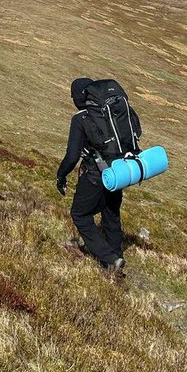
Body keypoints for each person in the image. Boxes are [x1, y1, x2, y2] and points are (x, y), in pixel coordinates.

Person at [56, 77, 136, 274]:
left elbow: (72, 155)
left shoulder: (81, 119)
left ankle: (109, 258)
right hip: (120, 171)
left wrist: (61, 175)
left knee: (80, 214)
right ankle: (116, 257)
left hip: (95, 174)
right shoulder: (113, 115)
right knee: (111, 213)